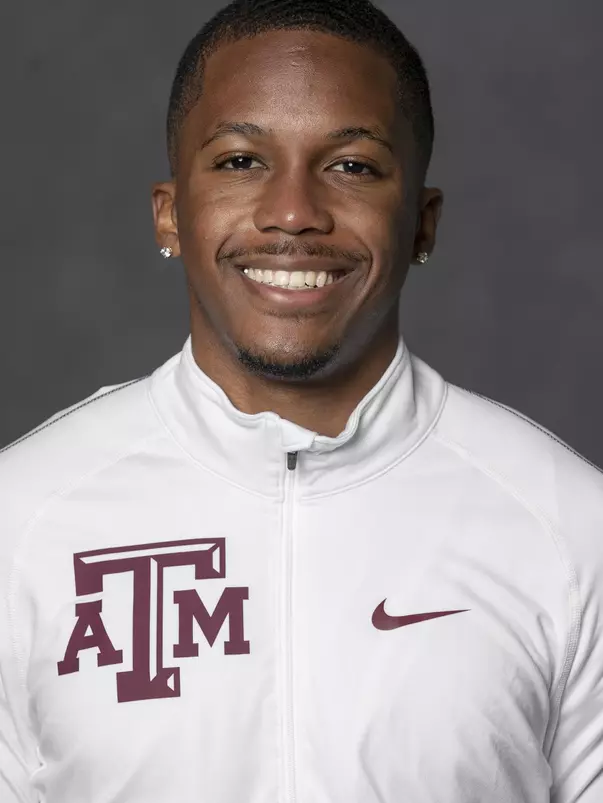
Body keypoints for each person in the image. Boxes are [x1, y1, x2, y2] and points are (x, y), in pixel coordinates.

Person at [1, 0, 602, 800]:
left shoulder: (568, 527)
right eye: (240, 160)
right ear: (170, 214)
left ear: (421, 224)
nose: (293, 213)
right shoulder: (23, 518)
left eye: (351, 166)